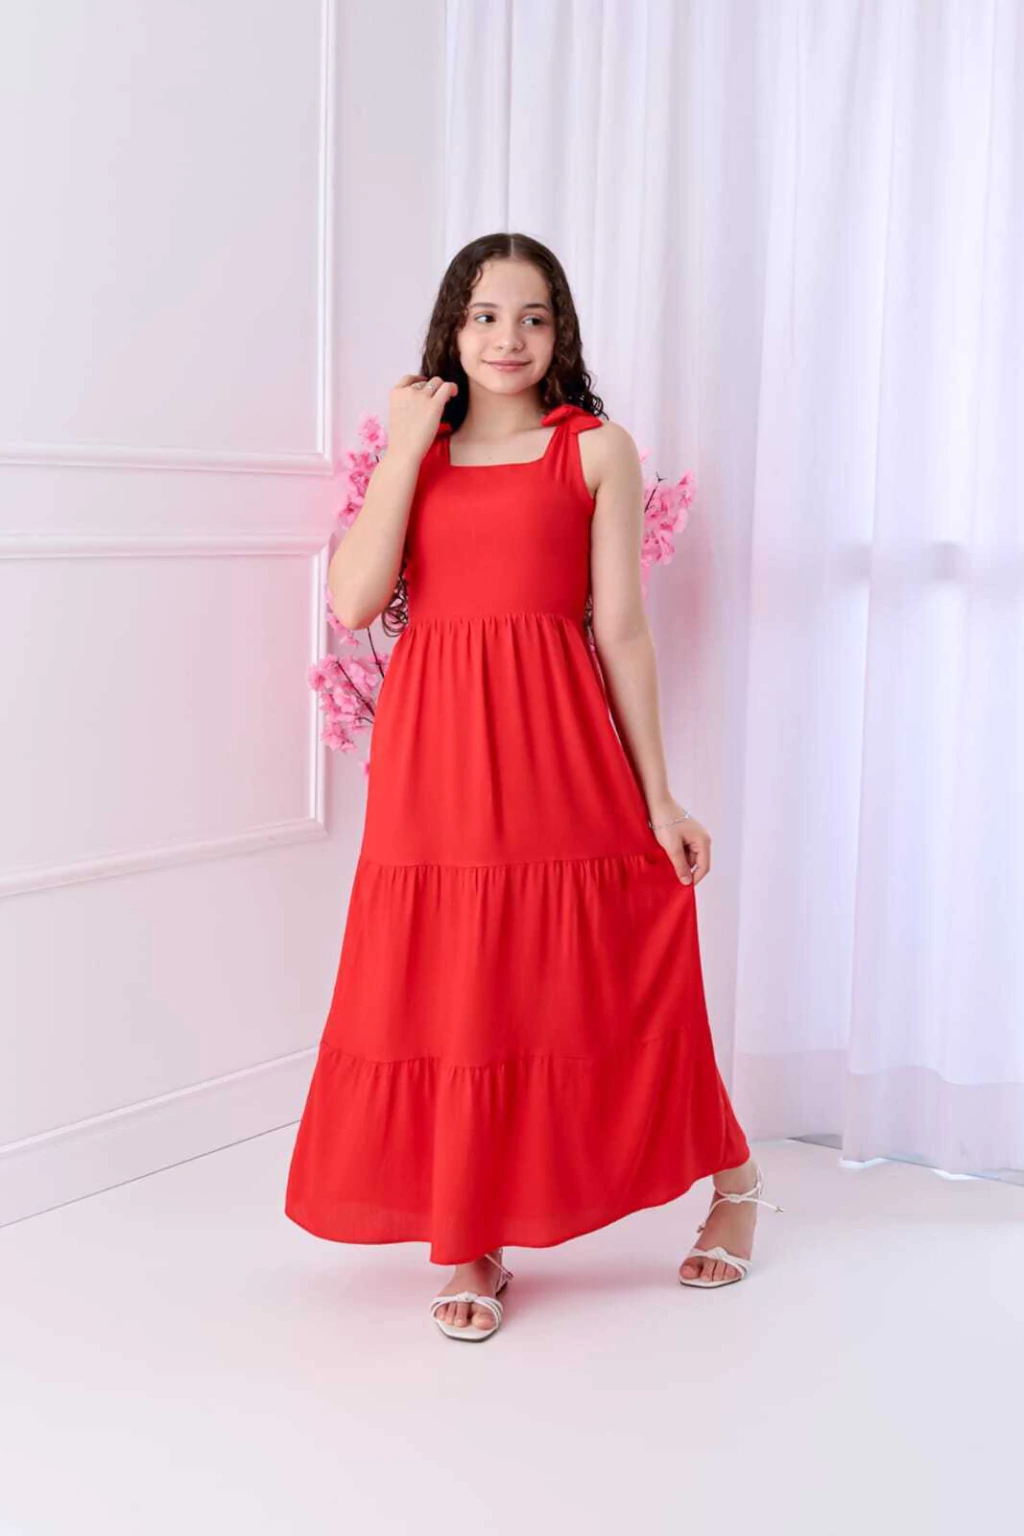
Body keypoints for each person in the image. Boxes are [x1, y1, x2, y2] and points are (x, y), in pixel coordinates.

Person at [284, 232, 783, 1341]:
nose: (507, 338)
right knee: (454, 988)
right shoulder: (417, 449)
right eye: (484, 316)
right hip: (435, 762)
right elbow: (356, 600)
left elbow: (622, 631)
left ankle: (736, 1182)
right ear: (451, 330)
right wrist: (407, 447)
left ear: (561, 333)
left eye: (532, 316)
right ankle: (471, 1238)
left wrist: (660, 799)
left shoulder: (596, 450)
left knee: (609, 970)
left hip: (557, 750)